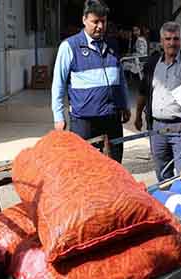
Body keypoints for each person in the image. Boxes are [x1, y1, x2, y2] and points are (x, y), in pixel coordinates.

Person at [51, 0, 130, 163]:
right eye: (95, 21)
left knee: (114, 169)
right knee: (84, 169)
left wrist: (124, 104)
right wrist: (58, 117)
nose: (100, 26)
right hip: (83, 121)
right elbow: (58, 84)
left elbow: (120, 78)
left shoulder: (112, 45)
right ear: (84, 20)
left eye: (103, 21)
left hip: (111, 119)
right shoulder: (69, 47)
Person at [134, 21, 181, 181]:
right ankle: (166, 204)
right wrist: (138, 116)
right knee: (162, 174)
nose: (172, 43)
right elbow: (143, 92)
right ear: (161, 41)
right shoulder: (152, 64)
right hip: (157, 129)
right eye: (168, 39)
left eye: (176, 39)